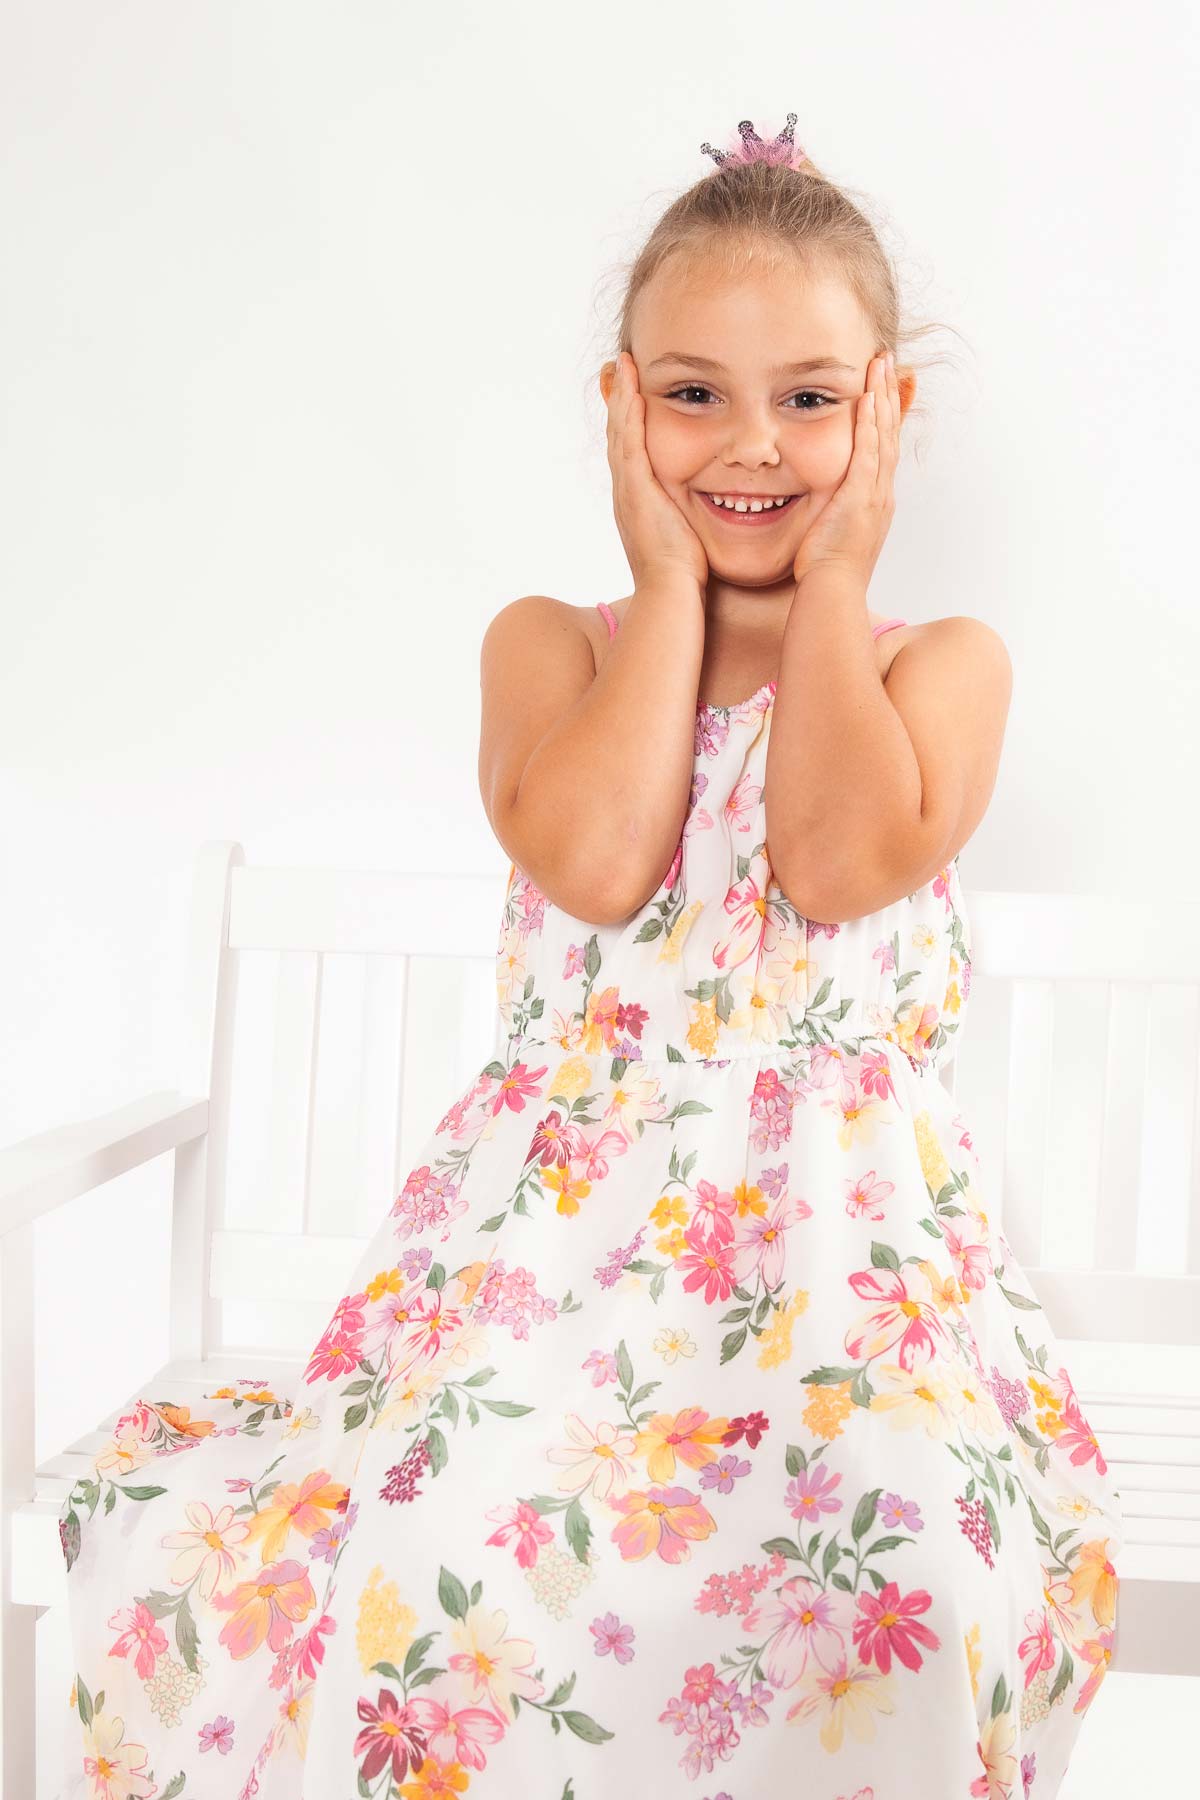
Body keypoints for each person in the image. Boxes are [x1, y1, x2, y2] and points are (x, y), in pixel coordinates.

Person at [60, 114, 1123, 1800]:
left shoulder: (940, 665)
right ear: (621, 406)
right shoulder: (553, 645)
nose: (751, 444)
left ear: (888, 411)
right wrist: (668, 582)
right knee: (441, 1553)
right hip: (548, 1259)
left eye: (811, 398)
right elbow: (603, 861)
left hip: (848, 1263)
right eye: (692, 393)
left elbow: (834, 860)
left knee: (904, 1572)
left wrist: (835, 577)